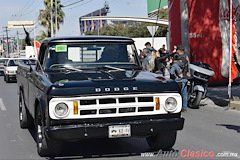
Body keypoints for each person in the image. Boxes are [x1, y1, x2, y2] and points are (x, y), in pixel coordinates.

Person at [169, 45, 190, 113]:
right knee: (184, 94)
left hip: (179, 79)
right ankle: (184, 108)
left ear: (178, 51)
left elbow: (172, 71)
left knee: (178, 93)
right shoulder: (186, 57)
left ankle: (178, 107)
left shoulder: (178, 59)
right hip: (185, 77)